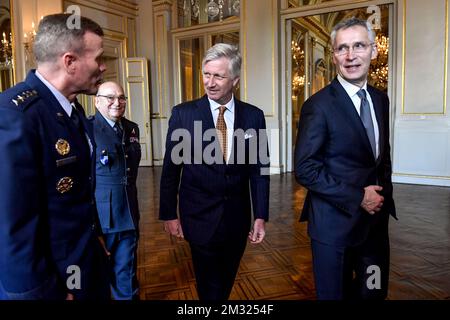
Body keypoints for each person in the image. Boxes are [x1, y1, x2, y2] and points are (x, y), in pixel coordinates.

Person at [0, 13, 109, 300]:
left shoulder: (72, 109)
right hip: (50, 281)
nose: (103, 66)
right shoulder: (16, 115)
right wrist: (39, 293)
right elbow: (12, 223)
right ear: (70, 61)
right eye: (98, 58)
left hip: (82, 262)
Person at [294, 17, 396, 300]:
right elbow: (305, 169)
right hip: (333, 230)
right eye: (342, 48)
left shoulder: (380, 100)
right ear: (334, 55)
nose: (351, 56)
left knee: (373, 292)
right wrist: (358, 197)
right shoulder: (318, 106)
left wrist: (382, 198)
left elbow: (380, 157)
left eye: (359, 46)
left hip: (374, 227)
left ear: (374, 51)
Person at [159, 43, 270, 301]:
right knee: (209, 284)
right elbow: (170, 169)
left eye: (218, 76)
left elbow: (259, 170)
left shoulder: (254, 116)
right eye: (206, 74)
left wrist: (261, 215)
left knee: (226, 279)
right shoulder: (183, 114)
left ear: (235, 80)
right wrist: (168, 214)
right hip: (197, 215)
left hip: (237, 217)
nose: (210, 82)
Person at [90, 81, 141, 300]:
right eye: (110, 97)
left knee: (126, 269)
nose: (117, 103)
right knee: (97, 272)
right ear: (97, 101)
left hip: (128, 210)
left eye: (121, 98)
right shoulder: (87, 129)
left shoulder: (131, 128)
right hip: (101, 216)